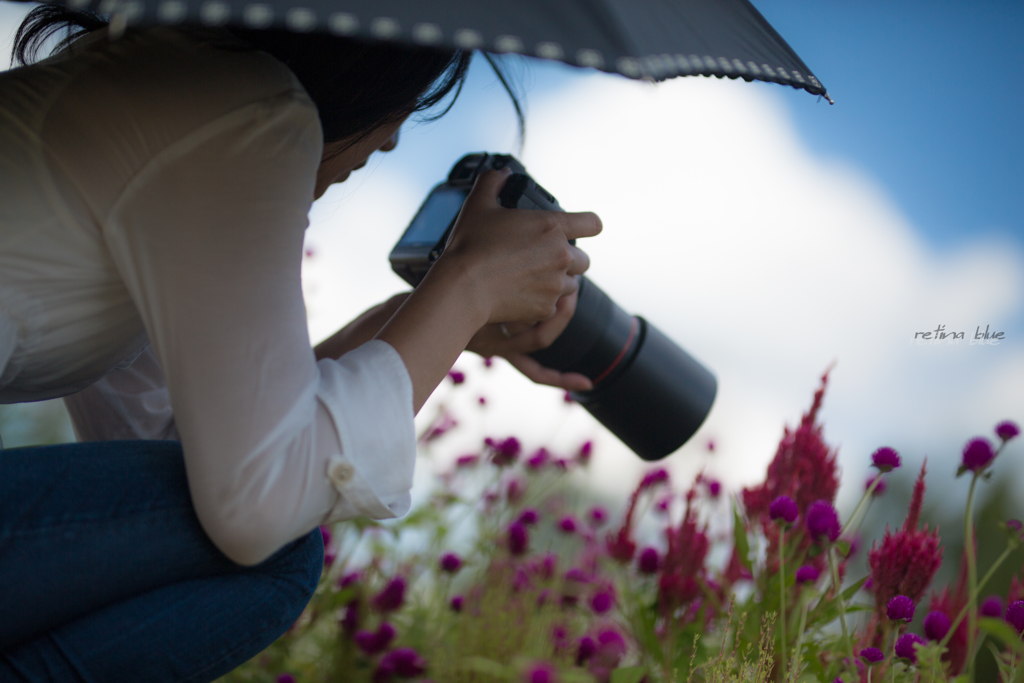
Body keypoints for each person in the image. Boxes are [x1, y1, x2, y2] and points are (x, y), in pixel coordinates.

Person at [0, 7, 600, 680]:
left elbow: (171, 446)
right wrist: (465, 285)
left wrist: (423, 315)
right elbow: (254, 510)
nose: (398, 139)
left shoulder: (161, 85)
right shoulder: (240, 109)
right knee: (279, 557)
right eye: (414, 87)